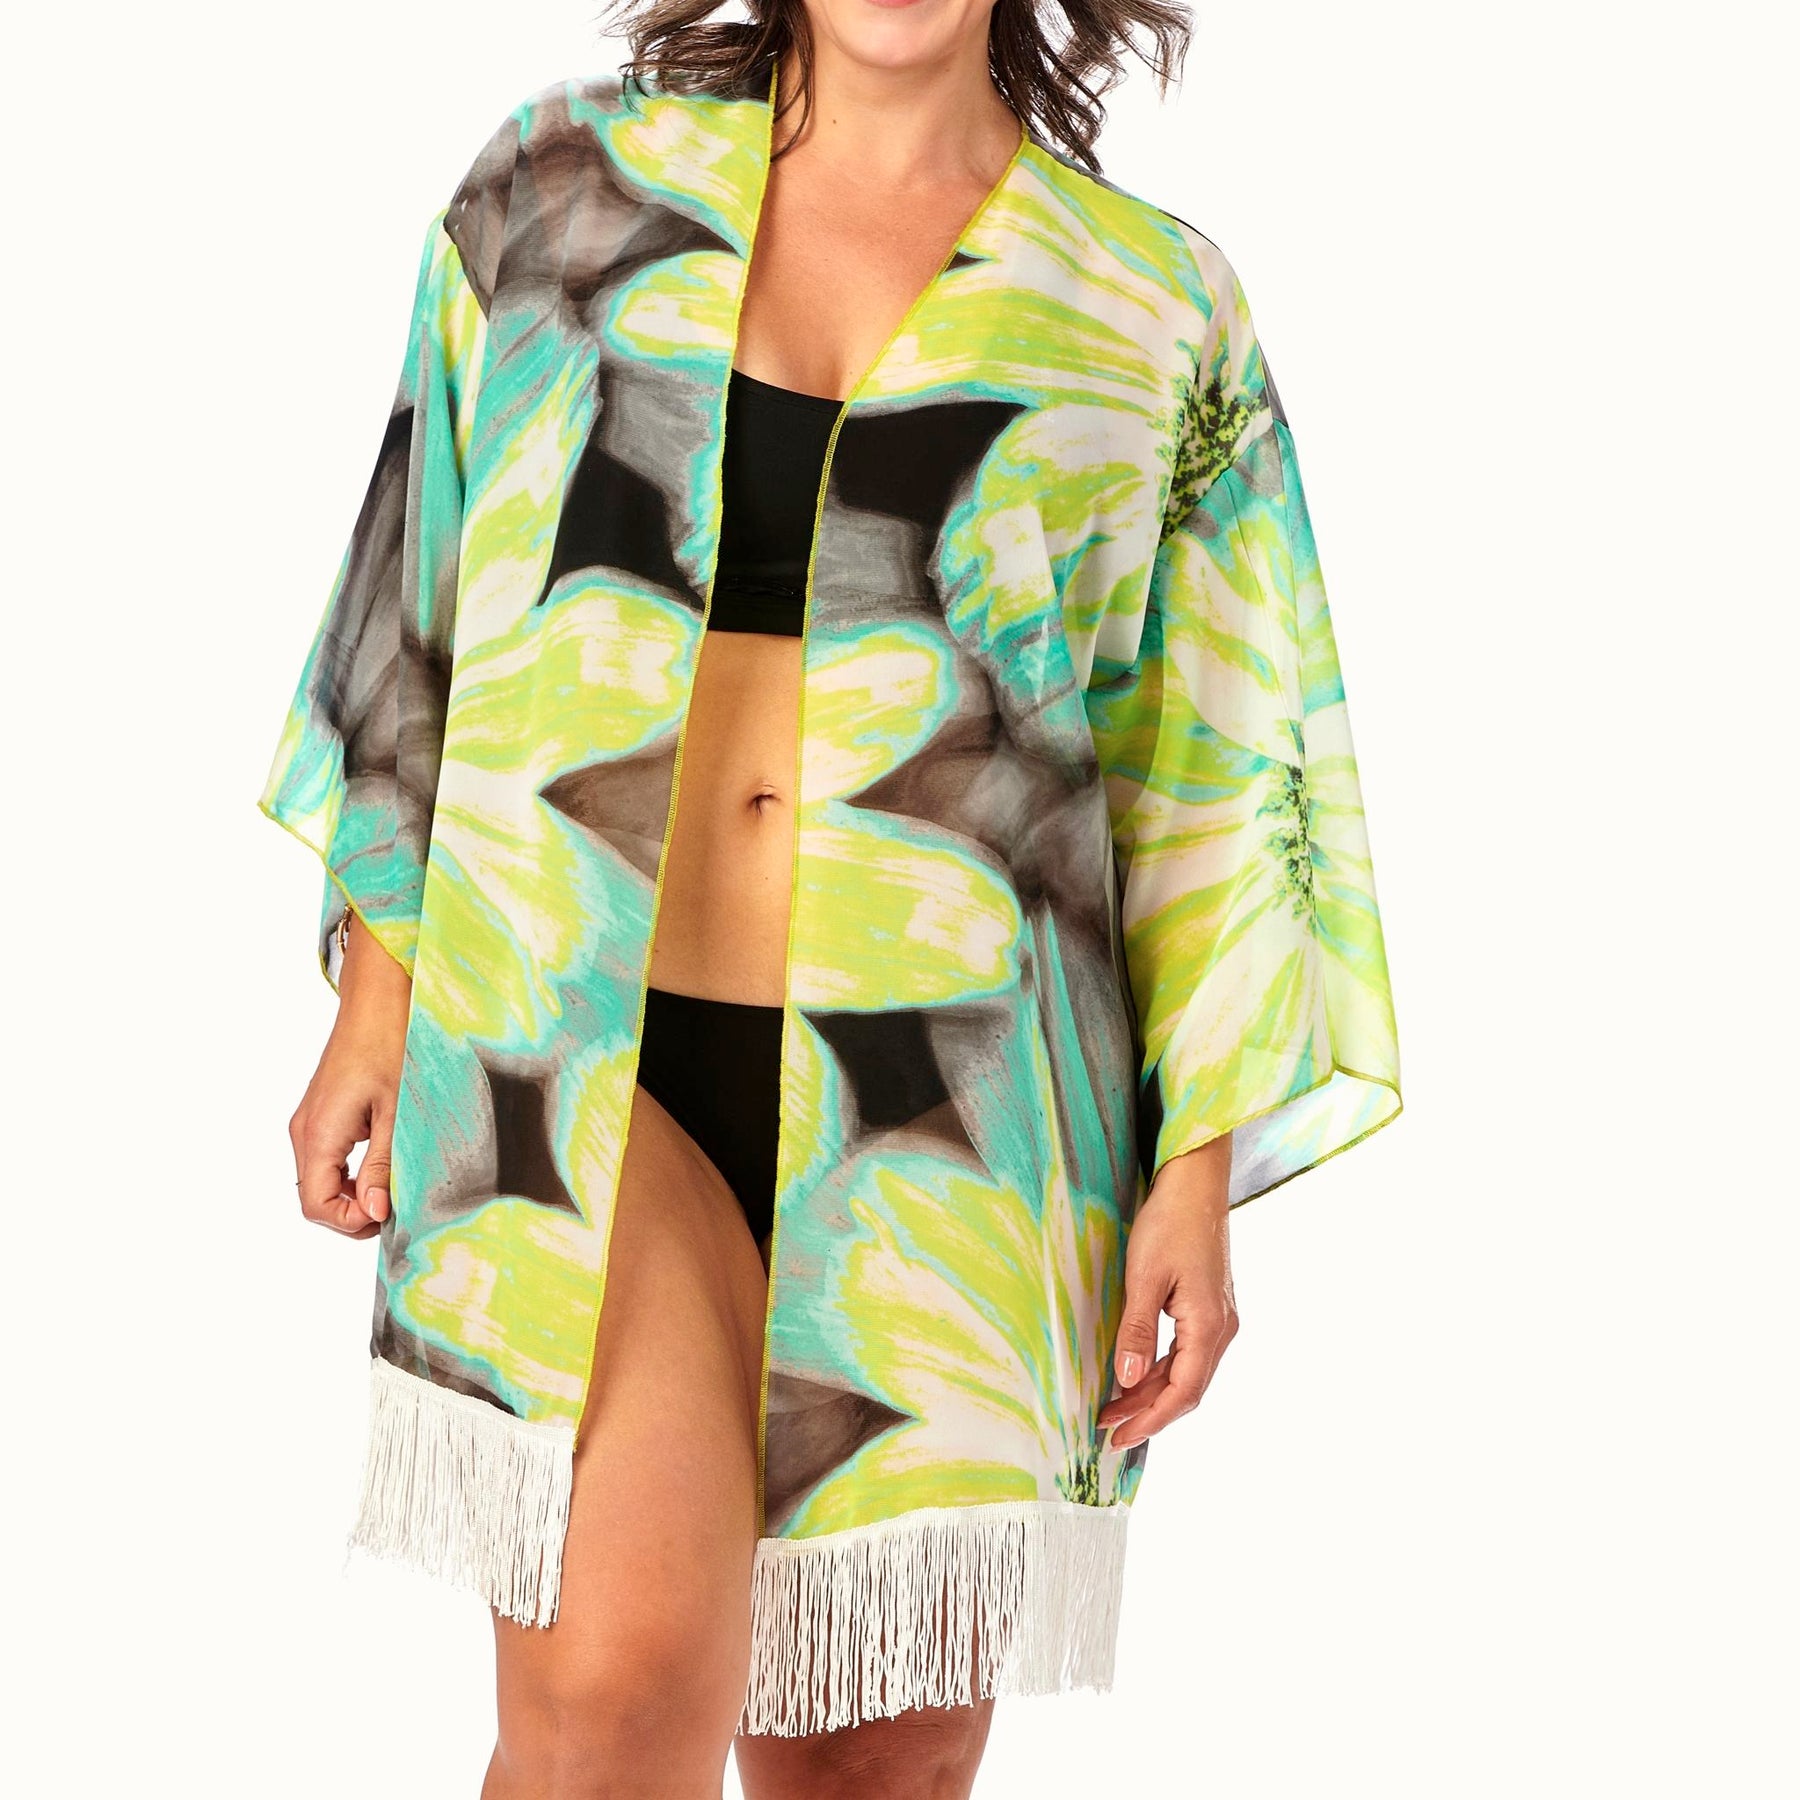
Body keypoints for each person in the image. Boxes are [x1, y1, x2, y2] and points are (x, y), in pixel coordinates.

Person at [259, 1, 1401, 1794]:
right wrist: (378, 992)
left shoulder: (1153, 310)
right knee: (608, 1707)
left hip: (962, 1123)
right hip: (581, 1050)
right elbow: (420, 592)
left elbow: (1213, 767)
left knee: (877, 1774)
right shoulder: (566, 183)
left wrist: (1196, 1171)